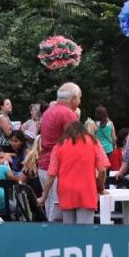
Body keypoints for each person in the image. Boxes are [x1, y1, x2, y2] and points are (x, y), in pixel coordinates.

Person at [38, 121, 109, 224]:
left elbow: (51, 174)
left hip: (66, 193)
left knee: (69, 232)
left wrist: (44, 196)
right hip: (87, 192)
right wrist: (100, 188)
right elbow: (102, 169)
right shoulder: (94, 142)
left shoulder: (59, 145)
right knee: (85, 233)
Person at [38, 82, 81, 221]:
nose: (80, 101)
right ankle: (56, 241)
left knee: (51, 207)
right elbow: (75, 144)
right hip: (58, 169)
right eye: (80, 97)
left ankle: (49, 239)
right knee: (59, 212)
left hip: (44, 167)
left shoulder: (48, 112)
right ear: (73, 98)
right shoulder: (68, 114)